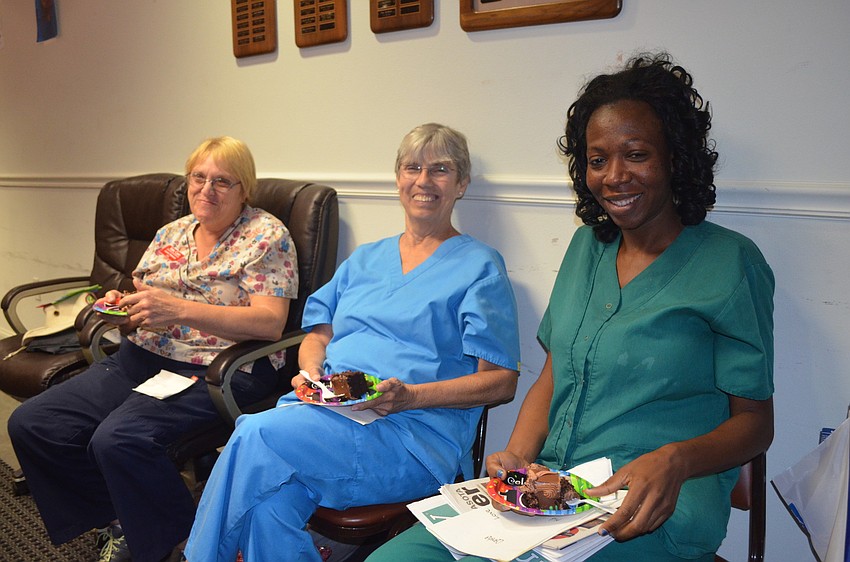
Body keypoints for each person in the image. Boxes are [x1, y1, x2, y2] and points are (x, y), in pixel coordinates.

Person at [367, 53, 775, 562]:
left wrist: (676, 459)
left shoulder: (731, 263)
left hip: (649, 507)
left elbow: (756, 421)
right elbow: (554, 374)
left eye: (637, 155)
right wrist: (516, 457)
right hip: (553, 488)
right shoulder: (587, 247)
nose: (614, 176)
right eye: (598, 159)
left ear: (675, 157)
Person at [184, 123, 521, 562]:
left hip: (410, 436)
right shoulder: (365, 258)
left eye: (440, 170)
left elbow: (501, 382)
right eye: (412, 167)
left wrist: (409, 397)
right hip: (325, 418)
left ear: (461, 184)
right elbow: (316, 335)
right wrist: (310, 373)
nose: (423, 180)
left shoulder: (480, 266)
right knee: (267, 509)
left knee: (254, 431)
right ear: (398, 178)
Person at [8, 136, 299, 562]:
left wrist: (179, 309)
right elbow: (142, 300)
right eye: (198, 177)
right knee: (33, 423)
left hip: (217, 370)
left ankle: (180, 546)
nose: (207, 189)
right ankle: (121, 519)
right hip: (141, 358)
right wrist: (122, 312)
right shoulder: (173, 231)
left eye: (223, 181)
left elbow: (271, 323)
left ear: (244, 189)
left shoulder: (266, 236)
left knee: (118, 439)